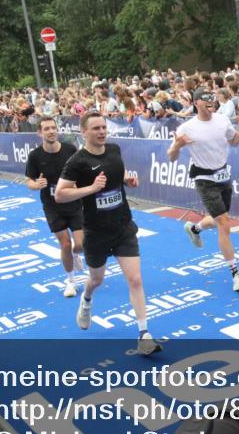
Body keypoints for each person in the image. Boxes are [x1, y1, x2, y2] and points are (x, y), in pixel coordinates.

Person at [56, 112, 161, 355]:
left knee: (135, 280)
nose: (102, 132)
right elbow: (60, 194)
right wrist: (91, 188)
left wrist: (127, 180)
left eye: (104, 127)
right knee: (96, 280)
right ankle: (86, 300)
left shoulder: (114, 150)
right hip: (96, 232)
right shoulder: (77, 162)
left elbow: (116, 175)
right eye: (96, 128)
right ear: (84, 132)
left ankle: (144, 334)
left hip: (123, 226)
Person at [168, 89, 239, 292]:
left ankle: (195, 228)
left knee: (219, 219)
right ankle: (236, 274)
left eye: (212, 99)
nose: (210, 102)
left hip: (223, 174)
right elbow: (171, 156)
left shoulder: (222, 120)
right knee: (224, 223)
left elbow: (234, 141)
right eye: (205, 99)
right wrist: (177, 146)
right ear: (196, 103)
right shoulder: (187, 127)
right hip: (204, 178)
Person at [25, 117, 85, 298]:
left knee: (80, 245)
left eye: (53, 128)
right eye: (46, 129)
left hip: (74, 203)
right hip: (52, 207)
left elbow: (81, 172)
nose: (51, 131)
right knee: (65, 244)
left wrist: (79, 184)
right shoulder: (35, 156)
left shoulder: (70, 150)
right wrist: (37, 185)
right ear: (39, 133)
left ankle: (75, 255)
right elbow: (29, 181)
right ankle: (71, 281)